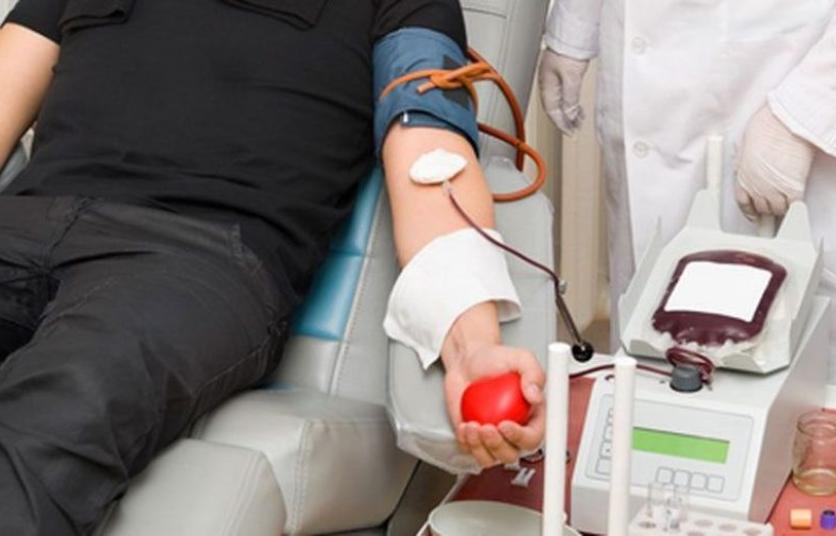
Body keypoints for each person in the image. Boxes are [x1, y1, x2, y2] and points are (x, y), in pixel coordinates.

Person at [0, 0, 545, 533]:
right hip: (21, 222)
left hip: (191, 259)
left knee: (59, 407)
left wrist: (472, 344)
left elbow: (431, 161)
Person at [538, 0, 836, 532]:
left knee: (827, 466)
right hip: (654, 103)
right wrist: (574, 25)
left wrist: (802, 115)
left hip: (800, 81)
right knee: (656, 451)